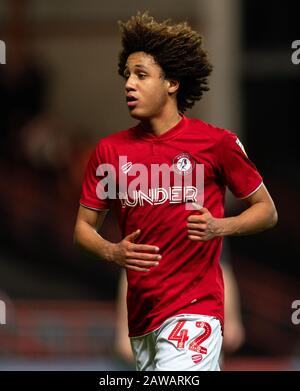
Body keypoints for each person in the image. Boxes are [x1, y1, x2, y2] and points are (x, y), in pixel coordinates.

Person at [74, 12, 277, 371]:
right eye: (127, 76)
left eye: (141, 75)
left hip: (196, 312)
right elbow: (82, 228)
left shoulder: (217, 144)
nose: (129, 85)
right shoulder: (109, 151)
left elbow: (266, 210)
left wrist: (220, 226)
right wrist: (112, 251)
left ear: (171, 83)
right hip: (142, 321)